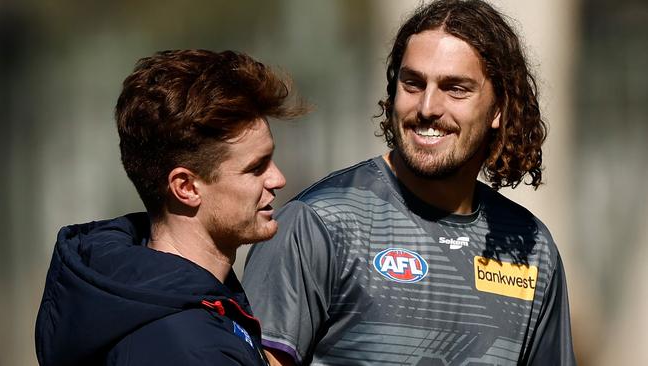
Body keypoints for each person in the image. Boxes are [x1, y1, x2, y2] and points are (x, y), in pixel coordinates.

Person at [242, 0, 576, 365]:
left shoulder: (531, 247)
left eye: (456, 88)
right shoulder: (318, 224)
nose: (428, 107)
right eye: (413, 83)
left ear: (498, 109)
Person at [35, 49, 307, 365]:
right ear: (186, 187)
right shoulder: (184, 347)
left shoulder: (166, 303)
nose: (278, 179)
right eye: (256, 167)